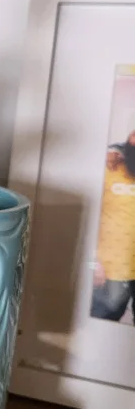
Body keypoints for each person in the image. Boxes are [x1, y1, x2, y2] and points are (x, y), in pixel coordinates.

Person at [91, 130, 135, 321]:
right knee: (104, 322)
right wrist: (93, 261)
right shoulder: (109, 165)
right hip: (112, 270)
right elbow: (88, 214)